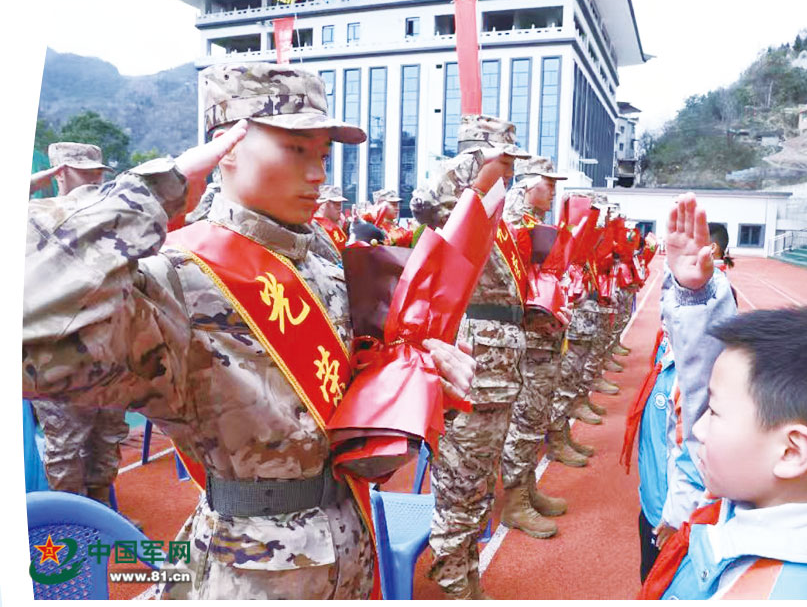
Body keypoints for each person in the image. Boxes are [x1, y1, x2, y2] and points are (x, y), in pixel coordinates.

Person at [22, 63, 476, 600]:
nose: (318, 174)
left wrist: (418, 389)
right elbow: (28, 321)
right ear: (226, 148)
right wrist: (156, 191)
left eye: (322, 154)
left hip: (352, 549)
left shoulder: (327, 270)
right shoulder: (178, 278)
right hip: (252, 571)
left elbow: (348, 434)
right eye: (296, 149)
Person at [641, 192, 807, 599]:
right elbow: (709, 382)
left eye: (715, 413)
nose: (697, 426)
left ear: (792, 452)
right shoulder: (764, 492)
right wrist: (696, 298)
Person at [427, 114, 530, 600]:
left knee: (479, 485)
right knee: (459, 487)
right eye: (503, 160)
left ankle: (468, 576)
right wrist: (473, 164)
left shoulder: (494, 215)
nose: (509, 170)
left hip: (499, 374)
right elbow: (428, 203)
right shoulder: (459, 206)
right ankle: (452, 585)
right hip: (472, 373)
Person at [29, 142, 132, 509]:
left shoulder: (107, 215)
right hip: (58, 358)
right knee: (66, 450)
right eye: (85, 171)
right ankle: (73, 525)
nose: (95, 177)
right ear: (60, 173)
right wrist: (31, 185)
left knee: (107, 440)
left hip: (110, 352)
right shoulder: (36, 215)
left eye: (98, 171)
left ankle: (103, 518)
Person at [500, 156, 572, 539]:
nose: (554, 189)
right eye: (549, 182)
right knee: (525, 420)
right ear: (529, 184)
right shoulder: (514, 221)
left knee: (534, 416)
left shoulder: (533, 221)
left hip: (541, 331)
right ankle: (515, 503)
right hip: (528, 338)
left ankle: (526, 489)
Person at [311, 184, 348, 259]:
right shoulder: (312, 227)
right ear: (323, 204)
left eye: (340, 204)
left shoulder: (338, 225)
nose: (340, 209)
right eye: (337, 204)